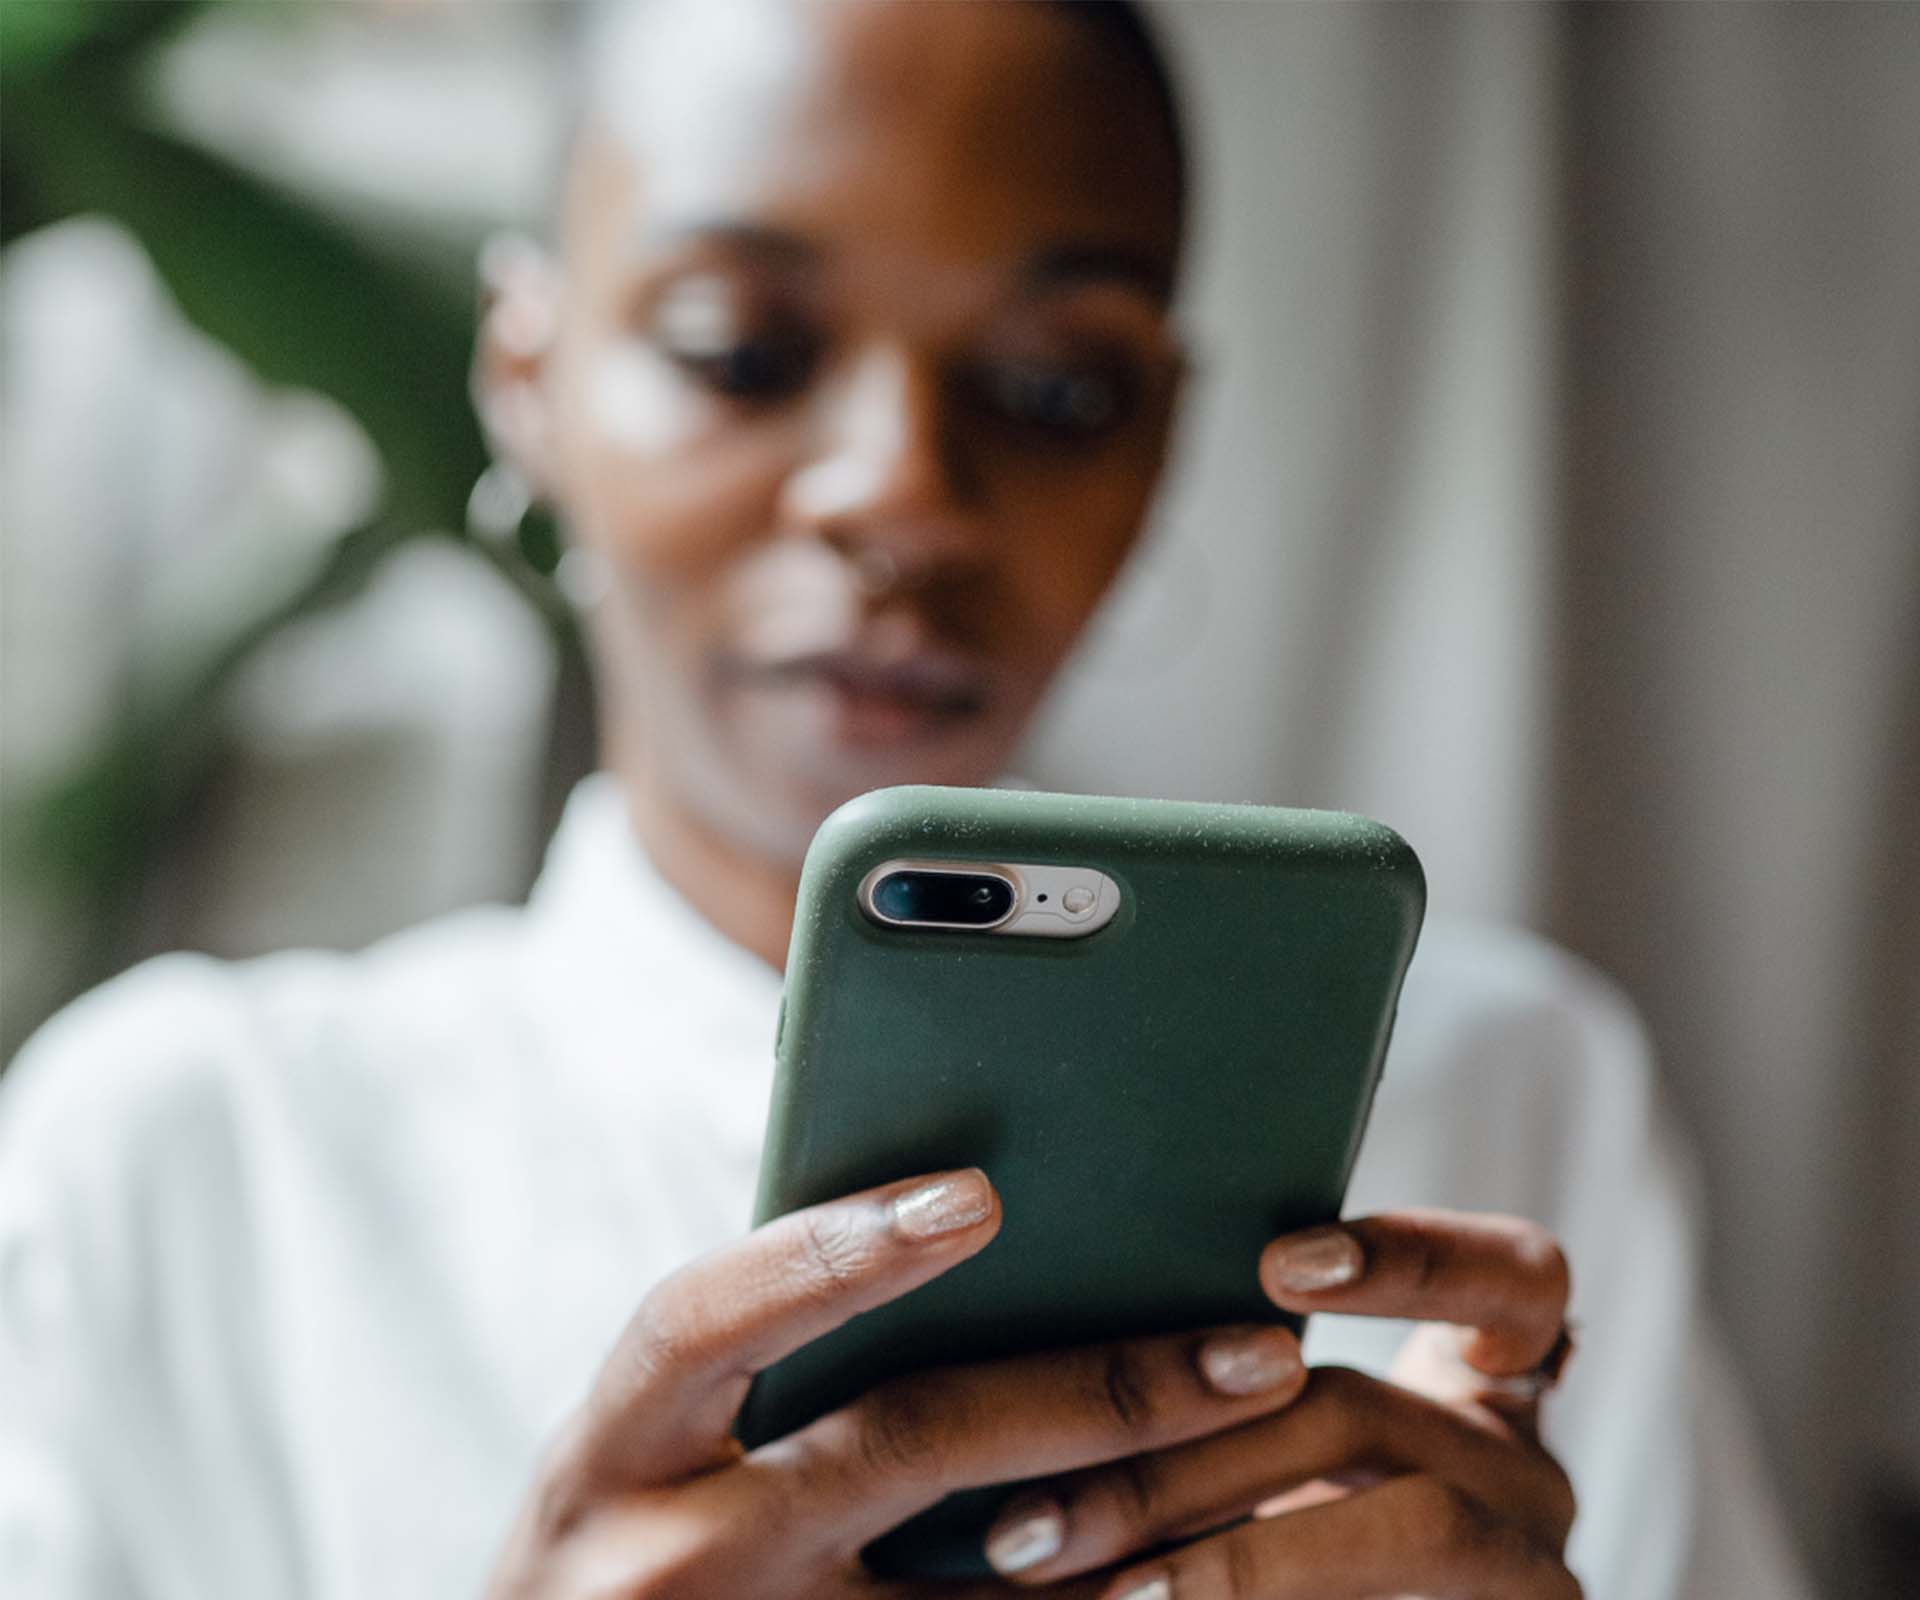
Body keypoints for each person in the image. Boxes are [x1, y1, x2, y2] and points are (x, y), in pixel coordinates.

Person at [0, 3, 1810, 1597]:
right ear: (529, 376)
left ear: (1161, 436)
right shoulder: (184, 1157)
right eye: (742, 349)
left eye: (1052, 384)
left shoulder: (1507, 1097)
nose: (905, 492)